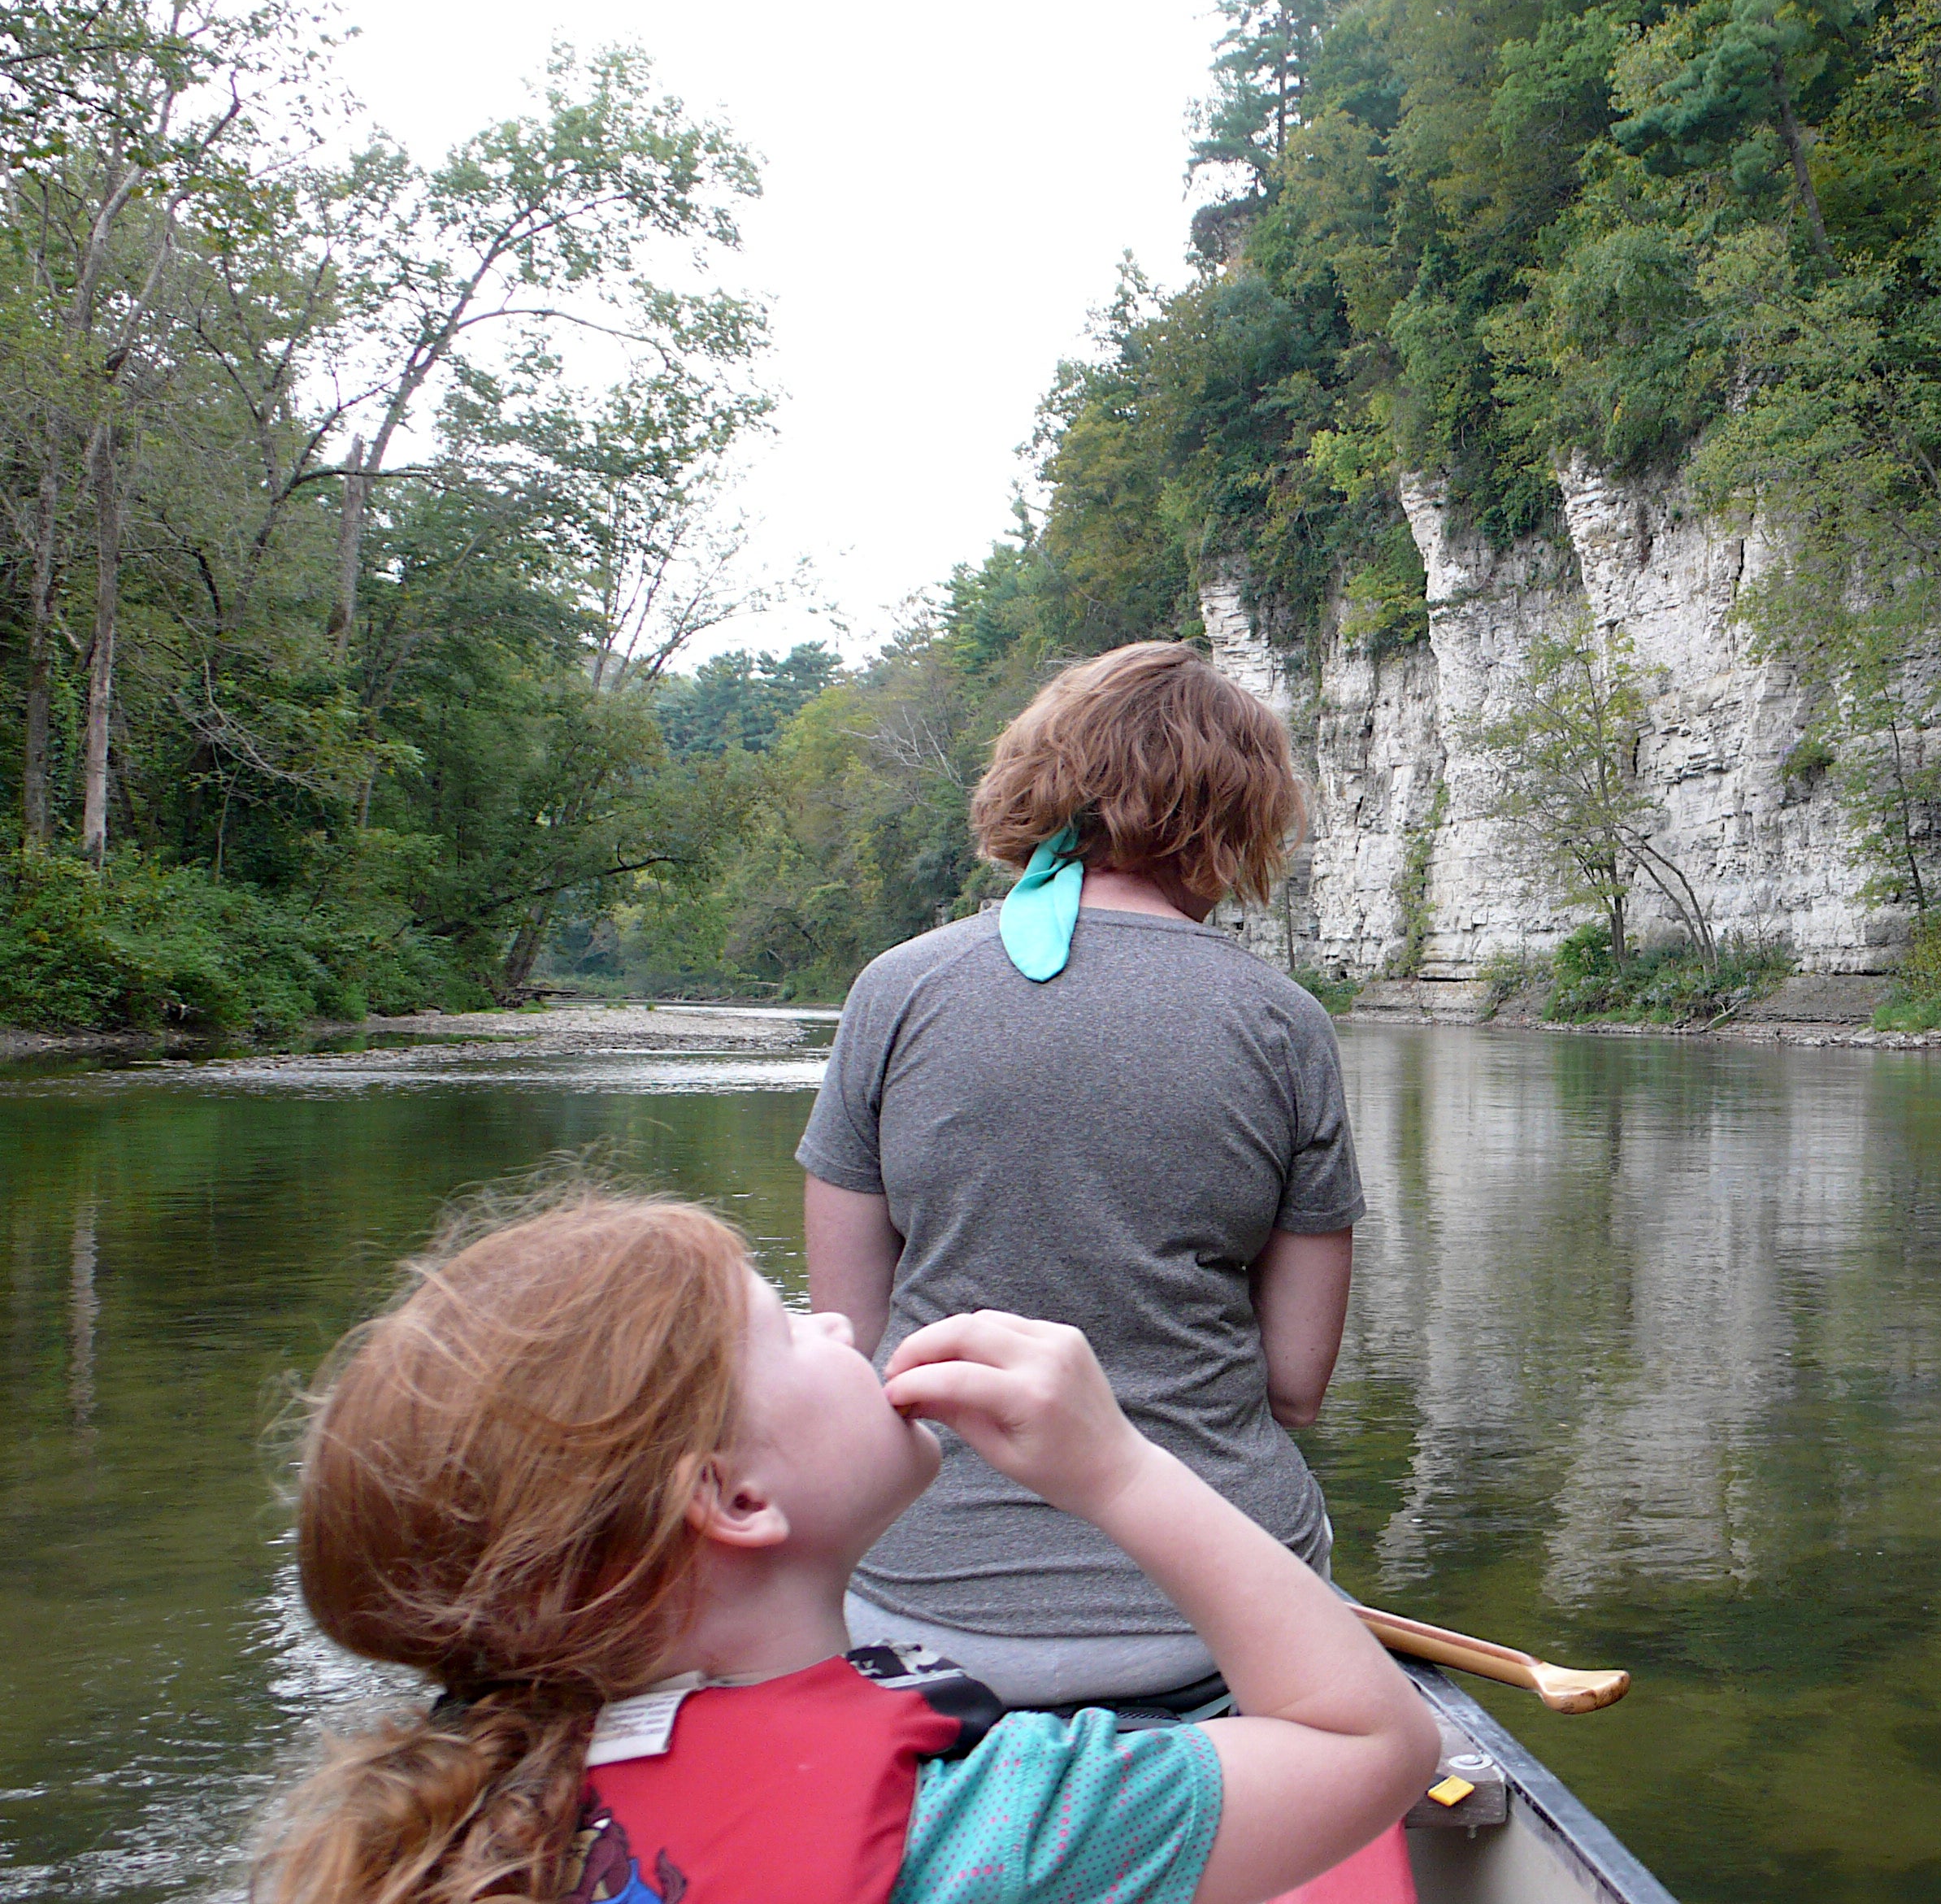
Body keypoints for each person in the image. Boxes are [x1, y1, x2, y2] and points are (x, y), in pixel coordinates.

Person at [254, 1189, 1435, 1904]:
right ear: (734, 1499)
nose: (839, 1323)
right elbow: (1370, 1744)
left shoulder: (467, 1819)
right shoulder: (995, 1837)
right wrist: (1117, 1470)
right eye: (786, 1322)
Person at [799, 640, 1362, 1710]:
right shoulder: (1286, 1026)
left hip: (921, 1608)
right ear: (1237, 818)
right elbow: (1294, 1385)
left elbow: (855, 1346)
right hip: (1207, 1617)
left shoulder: (896, 992)